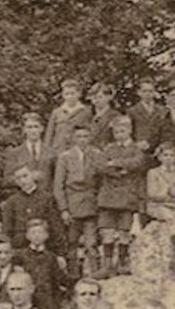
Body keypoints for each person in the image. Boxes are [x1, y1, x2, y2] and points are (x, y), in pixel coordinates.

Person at [95, 115, 148, 273]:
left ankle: (123, 263)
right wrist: (122, 171)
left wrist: (115, 163)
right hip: (108, 197)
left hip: (127, 196)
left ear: (130, 131)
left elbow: (138, 163)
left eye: (123, 131)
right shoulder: (108, 148)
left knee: (125, 231)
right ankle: (107, 265)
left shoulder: (136, 149)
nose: (119, 134)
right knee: (107, 231)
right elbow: (100, 166)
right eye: (116, 131)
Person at [53, 123, 101, 275]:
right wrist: (63, 209)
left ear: (90, 137)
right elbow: (58, 185)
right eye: (79, 136)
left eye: (86, 136)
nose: (82, 140)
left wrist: (99, 204)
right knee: (71, 243)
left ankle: (95, 275)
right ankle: (72, 277)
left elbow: (102, 182)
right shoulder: (65, 157)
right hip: (72, 206)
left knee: (91, 243)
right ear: (73, 138)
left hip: (91, 205)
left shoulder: (96, 154)